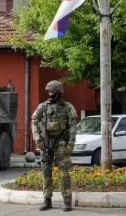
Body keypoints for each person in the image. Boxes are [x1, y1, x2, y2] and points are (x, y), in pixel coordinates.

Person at [31, 80, 77, 212]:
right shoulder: (42, 107)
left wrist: (71, 143)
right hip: (45, 143)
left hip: (61, 142)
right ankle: (47, 200)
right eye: (49, 91)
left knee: (64, 172)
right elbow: (34, 122)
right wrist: (37, 138)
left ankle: (67, 201)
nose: (51, 94)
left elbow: (73, 125)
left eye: (53, 91)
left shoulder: (67, 106)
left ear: (59, 92)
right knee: (46, 172)